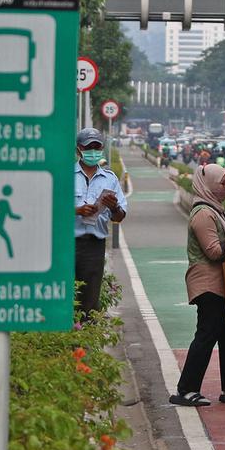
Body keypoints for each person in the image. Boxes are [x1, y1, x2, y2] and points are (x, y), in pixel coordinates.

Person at [170, 164, 225, 407]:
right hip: (209, 284)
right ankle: (186, 389)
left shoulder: (215, 210)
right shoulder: (203, 214)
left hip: (222, 282)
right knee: (207, 333)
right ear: (208, 184)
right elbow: (213, 251)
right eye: (222, 183)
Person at [74, 128, 128, 317]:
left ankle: (84, 344)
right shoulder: (66, 176)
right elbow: (52, 209)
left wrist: (114, 207)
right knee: (66, 297)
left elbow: (119, 216)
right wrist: (77, 210)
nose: (94, 151)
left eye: (97, 147)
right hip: (67, 243)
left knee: (89, 300)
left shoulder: (110, 179)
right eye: (89, 147)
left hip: (94, 247)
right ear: (79, 149)